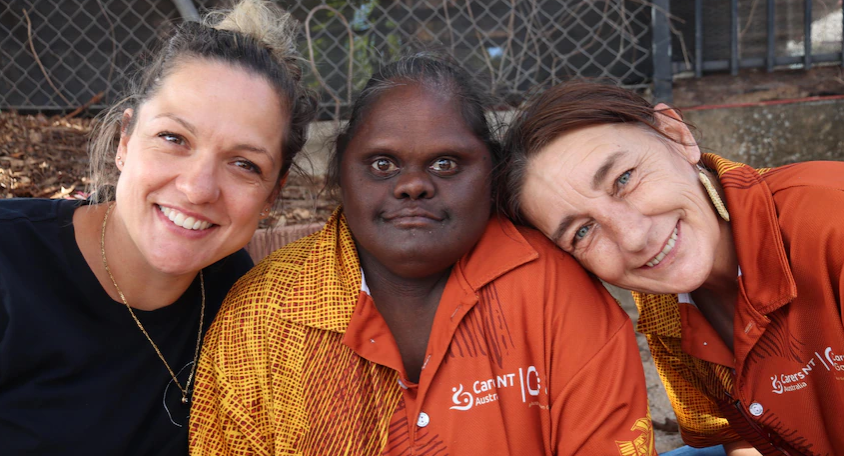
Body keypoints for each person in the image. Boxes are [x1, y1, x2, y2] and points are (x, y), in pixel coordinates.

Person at [189, 54, 656, 455]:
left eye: (445, 163)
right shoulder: (261, 317)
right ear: (340, 174)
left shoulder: (554, 290)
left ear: (492, 172)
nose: (413, 185)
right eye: (382, 163)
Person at [0, 1, 316, 454]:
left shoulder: (244, 304)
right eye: (174, 139)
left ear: (273, 194)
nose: (197, 188)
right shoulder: (10, 262)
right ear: (125, 141)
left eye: (244, 164)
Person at [499, 81, 844, 456]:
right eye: (583, 231)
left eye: (624, 179)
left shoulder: (831, 223)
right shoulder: (663, 303)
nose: (631, 238)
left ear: (677, 136)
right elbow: (738, 437)